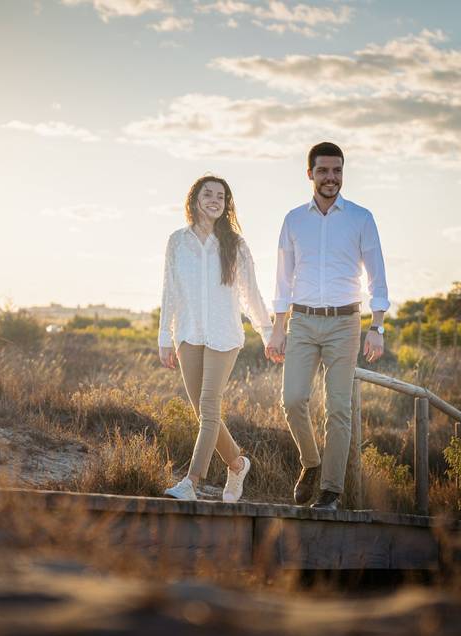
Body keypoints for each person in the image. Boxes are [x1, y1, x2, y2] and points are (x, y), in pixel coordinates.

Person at [265, 142, 390, 511]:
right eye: (323, 171)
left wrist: (377, 326)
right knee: (293, 400)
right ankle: (311, 463)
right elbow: (282, 280)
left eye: (337, 171)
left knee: (339, 408)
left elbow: (377, 277)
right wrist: (278, 327)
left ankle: (330, 492)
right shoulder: (293, 220)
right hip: (301, 322)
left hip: (345, 324)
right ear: (310, 174)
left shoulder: (361, 218)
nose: (331, 178)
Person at [157, 175, 273, 503]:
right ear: (194, 200)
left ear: (226, 205)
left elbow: (251, 294)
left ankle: (190, 483)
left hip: (224, 335)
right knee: (203, 412)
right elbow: (170, 290)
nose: (214, 200)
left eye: (220, 196)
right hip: (189, 334)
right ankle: (237, 465)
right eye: (207, 194)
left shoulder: (235, 245)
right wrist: (164, 335)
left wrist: (266, 331)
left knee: (209, 406)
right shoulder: (177, 242)